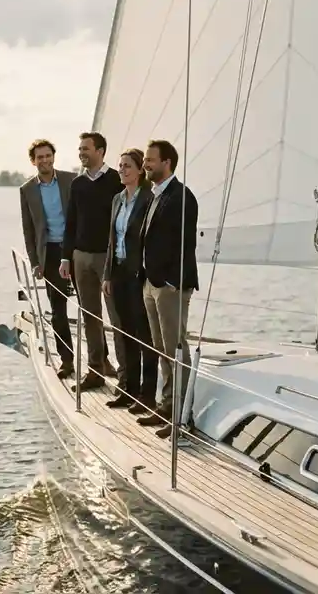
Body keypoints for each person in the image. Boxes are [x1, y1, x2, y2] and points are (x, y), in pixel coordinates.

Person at [134, 139, 199, 439]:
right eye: (146, 160)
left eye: (150, 160)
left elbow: (185, 246)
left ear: (167, 163)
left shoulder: (181, 197)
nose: (145, 164)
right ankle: (166, 404)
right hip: (152, 283)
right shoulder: (155, 195)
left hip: (170, 286)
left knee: (175, 347)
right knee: (161, 347)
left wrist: (172, 281)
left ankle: (180, 415)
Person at [60, 131, 123, 390]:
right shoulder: (77, 184)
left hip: (108, 258)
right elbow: (71, 222)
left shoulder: (116, 180)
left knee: (117, 317)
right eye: (80, 149)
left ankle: (126, 373)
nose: (81, 153)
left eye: (86, 148)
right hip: (81, 257)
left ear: (101, 151)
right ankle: (96, 370)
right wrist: (66, 257)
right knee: (89, 316)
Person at [102, 148, 157, 412]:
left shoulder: (148, 199)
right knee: (124, 334)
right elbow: (112, 241)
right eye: (120, 165)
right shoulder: (116, 200)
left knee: (144, 335)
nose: (122, 170)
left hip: (139, 275)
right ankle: (128, 390)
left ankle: (147, 395)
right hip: (119, 273)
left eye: (127, 166)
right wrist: (107, 275)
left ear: (139, 170)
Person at [19, 139, 77, 378]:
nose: (44, 160)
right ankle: (67, 360)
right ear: (33, 161)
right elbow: (28, 229)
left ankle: (101, 361)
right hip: (50, 252)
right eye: (39, 157)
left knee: (90, 307)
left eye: (47, 155)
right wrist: (35, 262)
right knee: (58, 310)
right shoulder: (27, 190)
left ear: (54, 156)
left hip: (75, 249)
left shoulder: (71, 180)